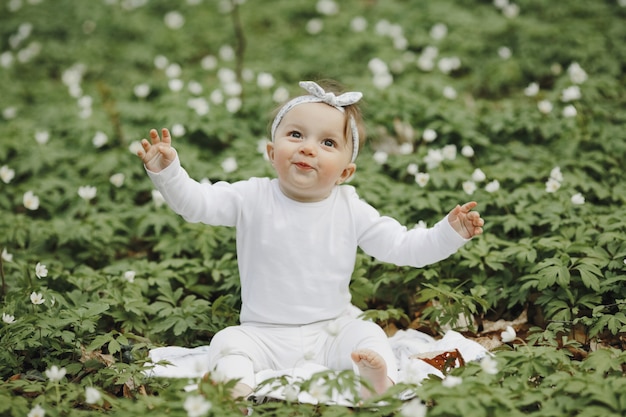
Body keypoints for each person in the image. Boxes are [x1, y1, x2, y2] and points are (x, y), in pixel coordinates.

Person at [137, 80, 484, 401]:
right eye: (296, 134)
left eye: (328, 142)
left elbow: (404, 246)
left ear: (345, 173)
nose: (308, 148)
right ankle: (236, 390)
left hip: (332, 330)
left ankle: (375, 382)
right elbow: (198, 204)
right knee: (227, 343)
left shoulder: (351, 208)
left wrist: (448, 232)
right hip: (263, 333)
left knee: (369, 336)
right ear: (272, 153)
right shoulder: (251, 197)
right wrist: (168, 173)